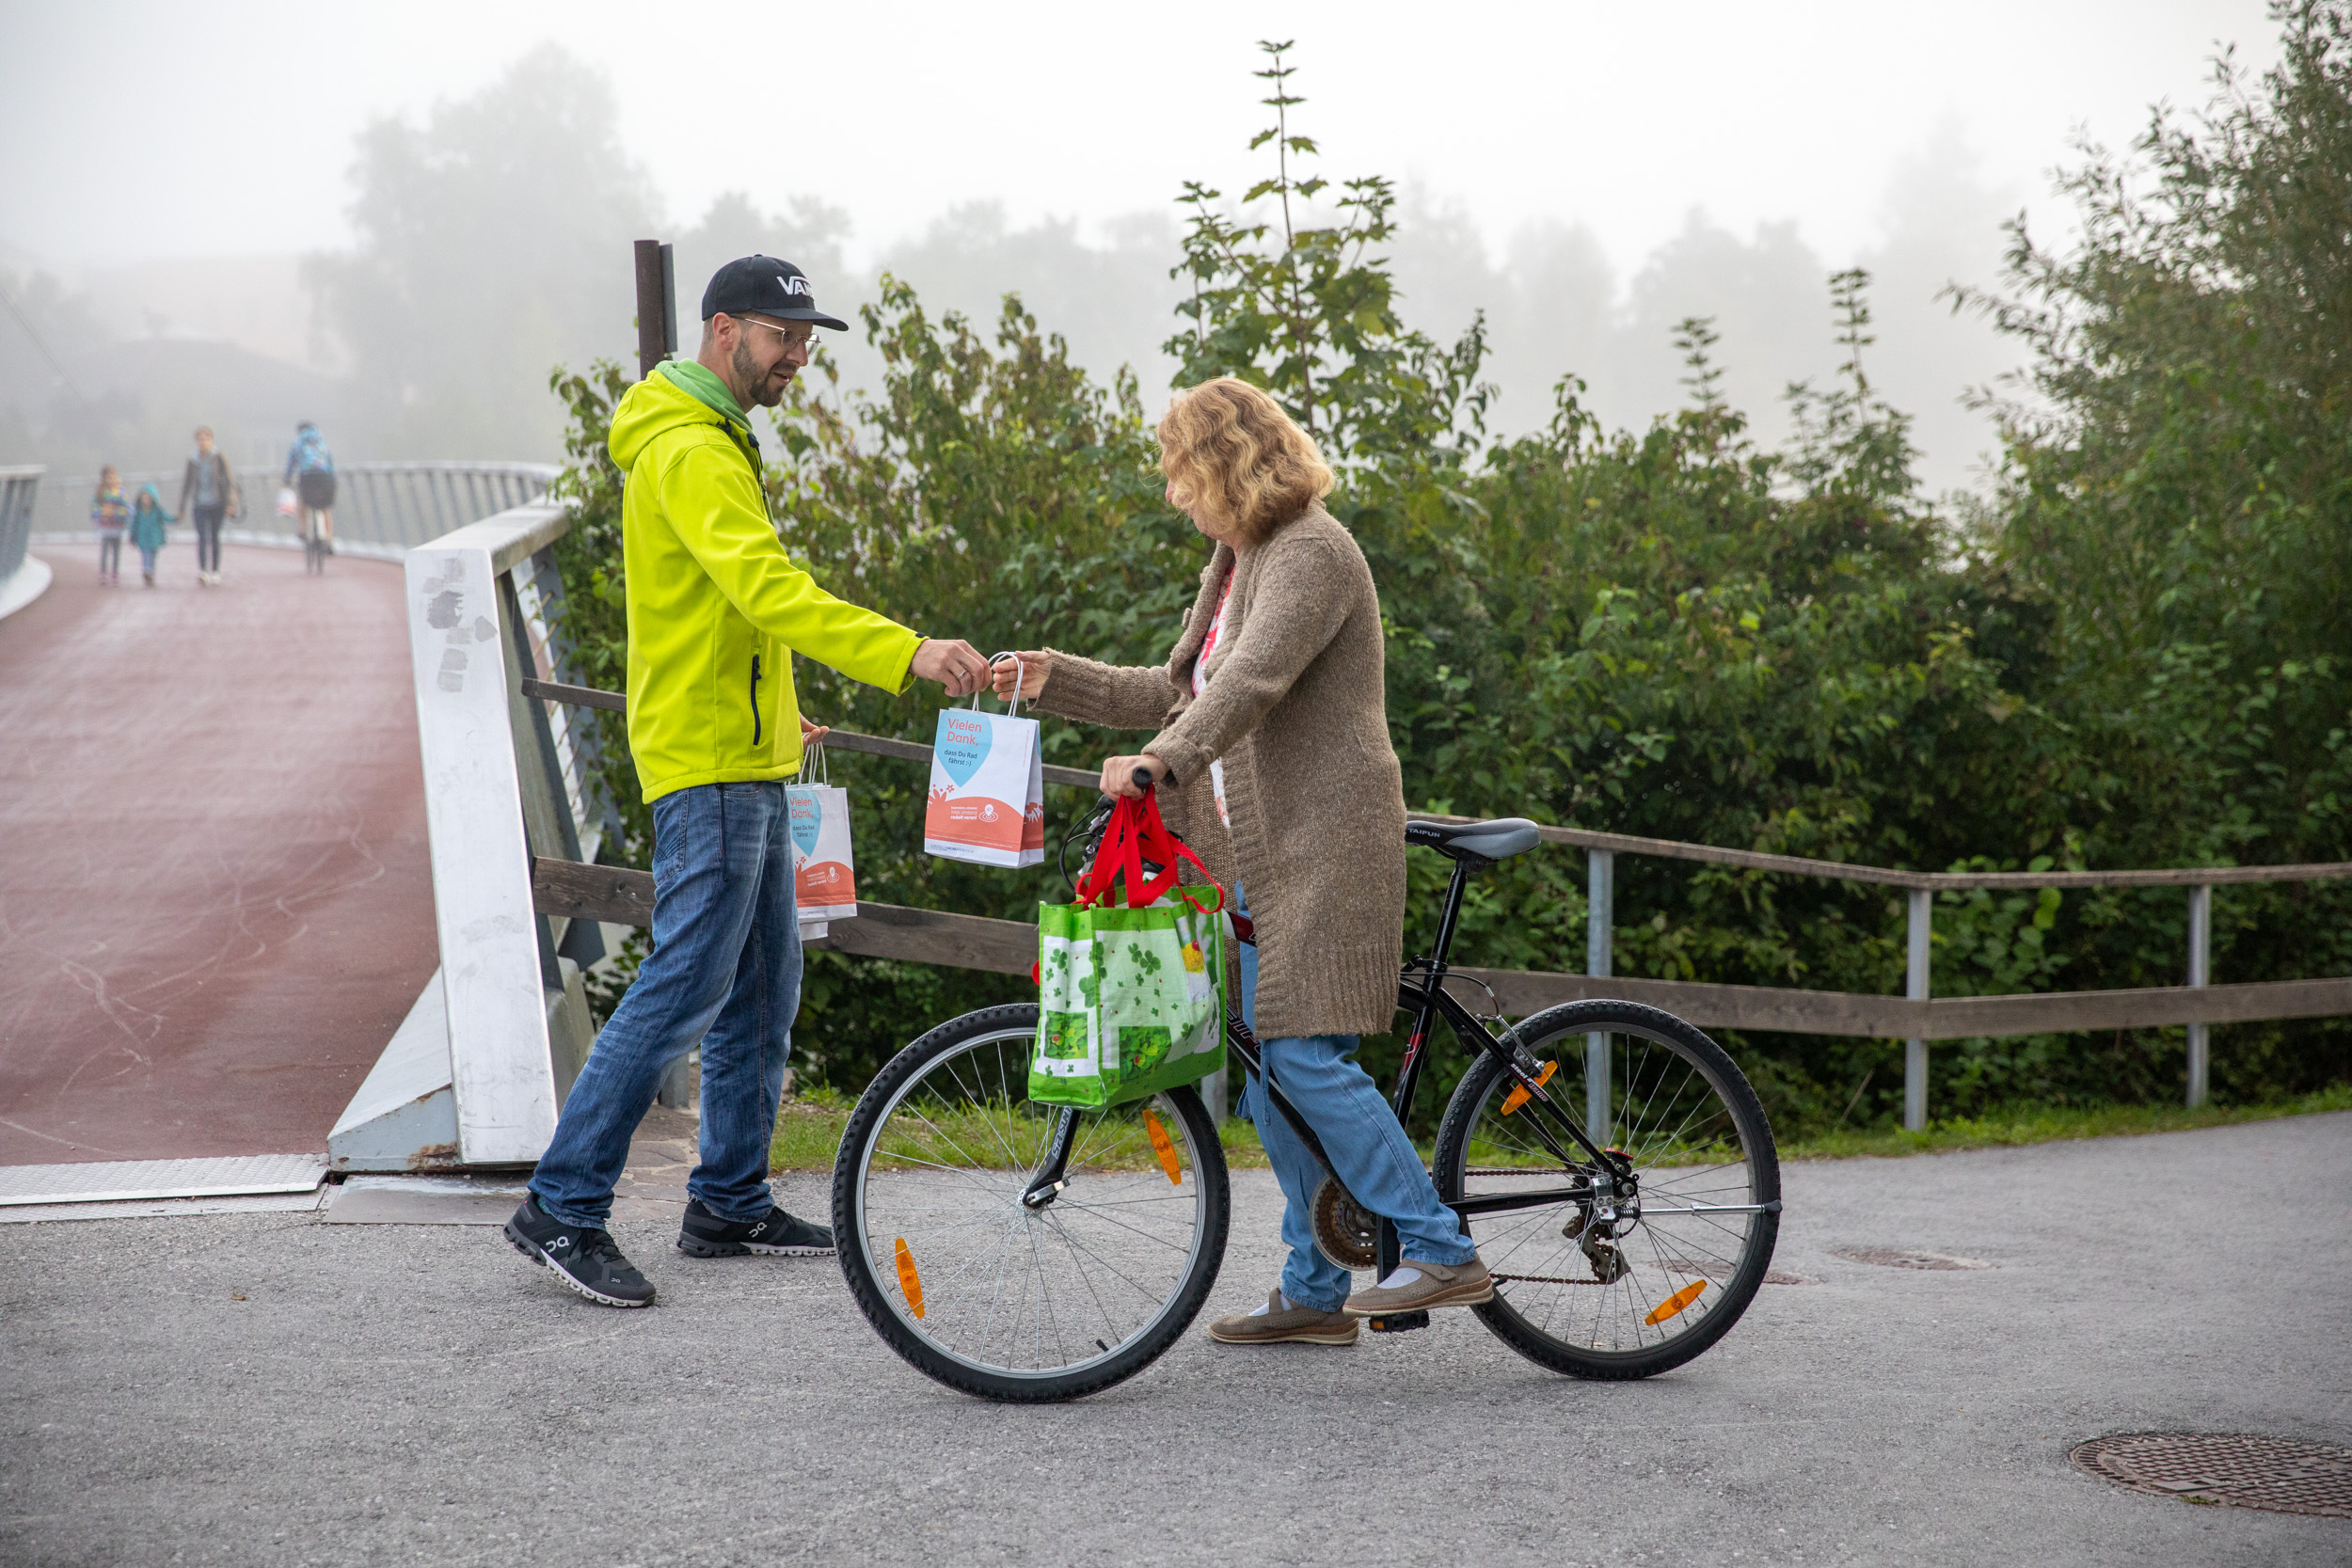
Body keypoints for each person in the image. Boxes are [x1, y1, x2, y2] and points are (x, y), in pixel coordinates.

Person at [504, 255, 992, 1308]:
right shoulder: (691, 450)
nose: (799, 358)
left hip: (747, 750)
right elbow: (768, 589)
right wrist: (903, 650)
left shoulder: (708, 439)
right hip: (712, 766)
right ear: (724, 330)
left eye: (806, 339)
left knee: (765, 989)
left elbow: (722, 615)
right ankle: (563, 1201)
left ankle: (726, 1194)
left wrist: (781, 711)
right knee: (684, 981)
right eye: (784, 336)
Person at [992, 377, 1491, 1346]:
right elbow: (1181, 689)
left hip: (1325, 842)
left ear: (1225, 461)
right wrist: (1058, 678)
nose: (1172, 492)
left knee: (1306, 1056)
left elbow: (1252, 683)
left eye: (1180, 471)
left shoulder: (1311, 551)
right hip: (1259, 860)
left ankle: (1439, 1245)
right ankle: (1315, 1291)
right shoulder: (1238, 558)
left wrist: (1163, 761)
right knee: (1269, 1076)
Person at [177, 425, 240, 585]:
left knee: (214, 536)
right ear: (196, 441)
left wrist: (231, 504)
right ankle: (203, 570)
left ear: (211, 440)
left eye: (206, 439)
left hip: (217, 503)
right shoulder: (192, 460)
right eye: (200, 439)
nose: (203, 442)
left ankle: (215, 570)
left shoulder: (219, 457)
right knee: (202, 537)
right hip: (199, 503)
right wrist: (182, 506)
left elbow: (229, 481)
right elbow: (187, 484)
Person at [284, 420, 334, 554]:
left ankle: (303, 531)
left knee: (304, 502)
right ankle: (329, 541)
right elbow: (330, 464)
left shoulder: (298, 444)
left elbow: (291, 465)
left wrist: (287, 481)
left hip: (307, 477)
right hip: (325, 477)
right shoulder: (322, 443)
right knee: (324, 508)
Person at [127, 483, 172, 588]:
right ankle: (147, 571)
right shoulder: (138, 512)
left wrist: (176, 519)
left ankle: (150, 573)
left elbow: (166, 518)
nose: (146, 500)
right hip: (143, 538)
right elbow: (134, 525)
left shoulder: (157, 511)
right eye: (144, 497)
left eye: (148, 497)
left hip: (154, 538)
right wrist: (132, 536)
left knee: (153, 556)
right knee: (145, 555)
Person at [90, 467, 129, 585]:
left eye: (113, 476)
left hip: (117, 526)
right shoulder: (100, 492)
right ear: (104, 478)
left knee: (117, 552)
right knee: (105, 550)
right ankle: (103, 573)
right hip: (106, 526)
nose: (111, 479)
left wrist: (123, 514)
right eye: (108, 477)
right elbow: (94, 506)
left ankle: (115, 573)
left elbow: (125, 506)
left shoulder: (120, 491)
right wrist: (95, 517)